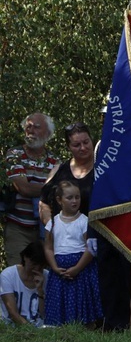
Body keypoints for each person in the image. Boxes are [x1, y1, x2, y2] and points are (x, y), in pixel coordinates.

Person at [43, 181, 102, 326]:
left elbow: (90, 248)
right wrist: (55, 267)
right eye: (70, 198)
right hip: (60, 273)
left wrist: (77, 268)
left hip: (82, 271)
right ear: (59, 200)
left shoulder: (84, 222)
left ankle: (86, 331)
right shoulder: (52, 223)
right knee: (60, 306)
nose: (75, 201)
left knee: (82, 304)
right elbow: (48, 248)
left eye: (77, 197)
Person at [3, 113, 59, 266]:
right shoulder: (15, 155)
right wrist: (48, 188)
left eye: (36, 127)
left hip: (45, 231)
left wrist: (49, 189)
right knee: (18, 272)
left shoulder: (55, 161)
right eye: (28, 126)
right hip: (18, 228)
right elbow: (23, 188)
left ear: (48, 134)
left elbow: (60, 193)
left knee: (44, 274)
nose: (31, 130)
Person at [0, 241, 48, 326]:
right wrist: (30, 330)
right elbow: (12, 312)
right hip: (13, 327)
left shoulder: (46, 276)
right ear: (25, 257)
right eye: (34, 264)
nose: (36, 268)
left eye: (40, 266)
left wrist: (40, 290)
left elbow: (44, 314)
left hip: (39, 327)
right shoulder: (8, 275)